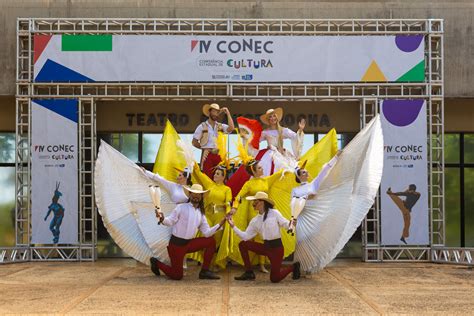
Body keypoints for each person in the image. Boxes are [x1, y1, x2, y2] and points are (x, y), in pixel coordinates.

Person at [149, 184, 226, 280]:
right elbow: (170, 221)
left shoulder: (201, 214)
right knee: (177, 276)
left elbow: (207, 233)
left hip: (189, 244)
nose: (196, 196)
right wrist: (162, 218)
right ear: (189, 195)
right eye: (193, 193)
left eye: (198, 194)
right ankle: (156, 263)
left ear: (201, 197)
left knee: (211, 241)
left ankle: (204, 271)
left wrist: (220, 224)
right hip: (176, 245)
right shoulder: (181, 207)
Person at [227, 191, 301, 283]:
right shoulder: (255, 221)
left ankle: (293, 267)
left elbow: (285, 224)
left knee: (274, 279)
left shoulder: (274, 213)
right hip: (266, 247)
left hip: (276, 249)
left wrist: (291, 224)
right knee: (243, 244)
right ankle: (249, 272)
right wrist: (233, 226)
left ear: (262, 202)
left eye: (255, 202)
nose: (253, 204)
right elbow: (245, 236)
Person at [229, 159, 285, 272]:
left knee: (263, 237)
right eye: (259, 168)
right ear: (253, 171)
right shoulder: (248, 184)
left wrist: (290, 167)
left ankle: (262, 264)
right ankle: (249, 264)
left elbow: (279, 174)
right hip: (253, 212)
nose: (262, 169)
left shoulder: (266, 180)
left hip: (266, 212)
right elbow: (239, 196)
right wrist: (234, 207)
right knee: (252, 237)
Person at [190, 162, 232, 270]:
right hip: (208, 214)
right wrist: (193, 163)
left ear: (223, 177)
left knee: (216, 240)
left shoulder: (227, 189)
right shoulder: (209, 184)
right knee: (206, 236)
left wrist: (228, 212)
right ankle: (206, 262)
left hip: (220, 215)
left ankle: (213, 263)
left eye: (218, 174)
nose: (215, 175)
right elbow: (199, 174)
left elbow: (228, 202)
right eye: (215, 173)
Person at [257, 108, 305, 175]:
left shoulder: (283, 130)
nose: (273, 118)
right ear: (268, 120)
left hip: (282, 154)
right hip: (269, 156)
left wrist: (300, 130)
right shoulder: (265, 132)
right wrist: (247, 138)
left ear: (276, 117)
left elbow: (295, 137)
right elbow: (256, 141)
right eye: (270, 117)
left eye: (274, 116)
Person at [192, 103, 235, 178]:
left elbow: (231, 128)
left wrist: (228, 113)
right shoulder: (202, 126)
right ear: (209, 112)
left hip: (219, 154)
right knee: (207, 179)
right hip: (207, 155)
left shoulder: (220, 126)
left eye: (217, 112)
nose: (216, 114)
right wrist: (204, 148)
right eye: (214, 111)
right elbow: (194, 142)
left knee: (220, 178)